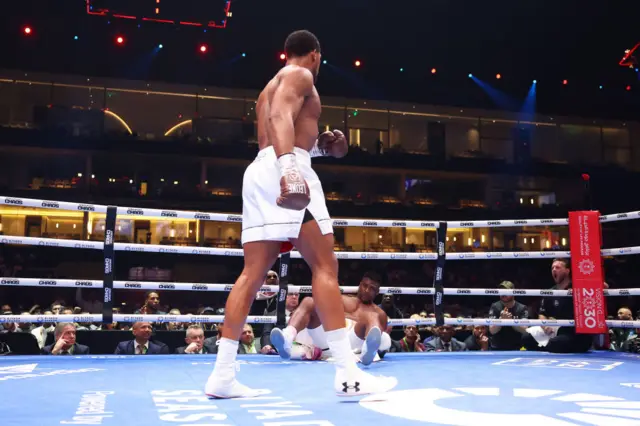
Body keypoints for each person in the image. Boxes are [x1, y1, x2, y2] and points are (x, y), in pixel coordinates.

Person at [204, 29, 397, 399]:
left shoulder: (269, 85)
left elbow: (280, 124)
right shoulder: (301, 74)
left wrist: (321, 149)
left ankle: (222, 374)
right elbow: (281, 117)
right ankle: (347, 373)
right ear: (315, 55)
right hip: (284, 168)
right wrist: (291, 167)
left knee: (252, 273)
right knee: (325, 266)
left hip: (262, 170)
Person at [270, 271, 392, 365]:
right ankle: (287, 337)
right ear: (360, 285)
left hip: (352, 346)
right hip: (330, 338)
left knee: (372, 316)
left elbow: (382, 337)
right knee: (309, 301)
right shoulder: (342, 299)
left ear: (377, 292)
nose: (366, 290)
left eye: (372, 289)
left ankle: (367, 352)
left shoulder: (378, 313)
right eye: (365, 286)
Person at [521, 259, 593, 353]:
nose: (554, 270)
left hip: (573, 331)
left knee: (556, 343)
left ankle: (548, 346)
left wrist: (579, 291)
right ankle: (549, 347)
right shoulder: (550, 292)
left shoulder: (578, 288)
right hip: (555, 330)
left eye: (558, 267)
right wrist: (545, 326)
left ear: (567, 271)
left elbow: (603, 287)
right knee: (526, 337)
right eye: (552, 268)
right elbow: (542, 314)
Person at [487, 281, 529, 350]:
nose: (503, 293)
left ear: (513, 292)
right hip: (497, 347)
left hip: (518, 347)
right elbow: (492, 330)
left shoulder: (522, 308)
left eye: (506, 291)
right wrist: (501, 320)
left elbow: (525, 330)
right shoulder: (494, 306)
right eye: (501, 291)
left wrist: (511, 321)